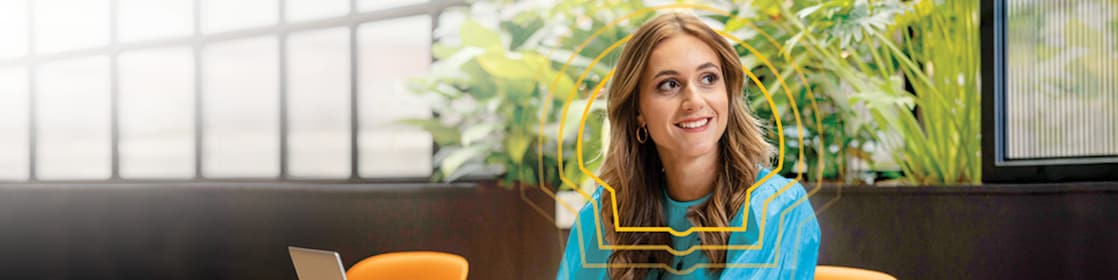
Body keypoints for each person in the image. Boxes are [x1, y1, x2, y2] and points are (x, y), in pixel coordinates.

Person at [556, 12, 820, 279]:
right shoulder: (607, 213)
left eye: (708, 79)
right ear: (638, 111)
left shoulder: (777, 208)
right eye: (669, 85)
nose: (694, 101)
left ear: (728, 92)